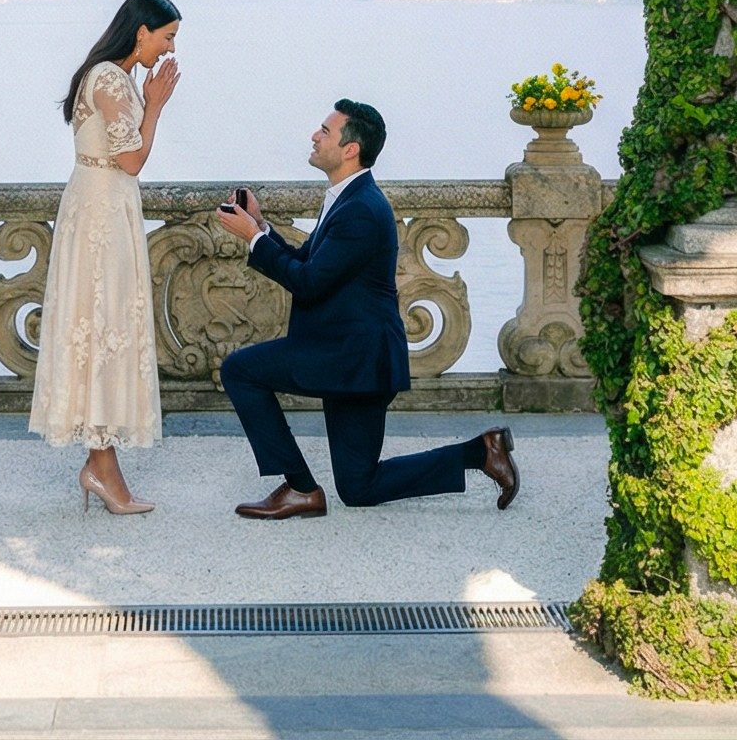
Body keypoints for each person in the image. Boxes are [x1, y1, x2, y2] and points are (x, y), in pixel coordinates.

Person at [216, 99, 519, 518]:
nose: (314, 135)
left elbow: (307, 283)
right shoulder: (347, 197)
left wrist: (252, 239)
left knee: (239, 369)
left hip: (352, 358)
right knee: (360, 486)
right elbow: (309, 264)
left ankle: (300, 489)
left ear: (350, 149)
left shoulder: (360, 209)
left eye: (325, 130)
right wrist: (262, 226)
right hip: (352, 357)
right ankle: (481, 453)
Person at [28, 0, 182, 513]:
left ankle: (101, 464)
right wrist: (156, 107)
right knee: (102, 324)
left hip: (102, 204)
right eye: (166, 38)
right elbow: (133, 160)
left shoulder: (112, 74)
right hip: (102, 208)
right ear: (141, 32)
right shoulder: (112, 79)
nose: (167, 50)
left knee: (105, 326)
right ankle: (102, 466)